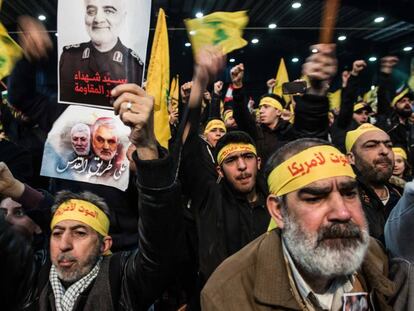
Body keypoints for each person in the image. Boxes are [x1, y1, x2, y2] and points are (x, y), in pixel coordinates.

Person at [13, 83, 184, 311]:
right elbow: (54, 214)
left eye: (80, 233)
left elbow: (160, 243)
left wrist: (147, 151)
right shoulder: (34, 285)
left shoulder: (123, 286)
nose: (64, 244)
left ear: (105, 244)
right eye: (56, 233)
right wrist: (16, 189)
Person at [202, 138, 397, 311]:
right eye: (315, 198)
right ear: (278, 210)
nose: (343, 213)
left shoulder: (376, 255)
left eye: (349, 194)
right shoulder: (229, 291)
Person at [59, 0, 144, 107]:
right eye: (91, 11)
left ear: (123, 18)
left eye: (109, 11)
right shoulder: (69, 57)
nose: (98, 19)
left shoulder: (135, 66)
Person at [345, 123, 401, 243]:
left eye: (389, 145)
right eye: (371, 146)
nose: (385, 151)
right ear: (351, 158)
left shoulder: (403, 195)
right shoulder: (343, 200)